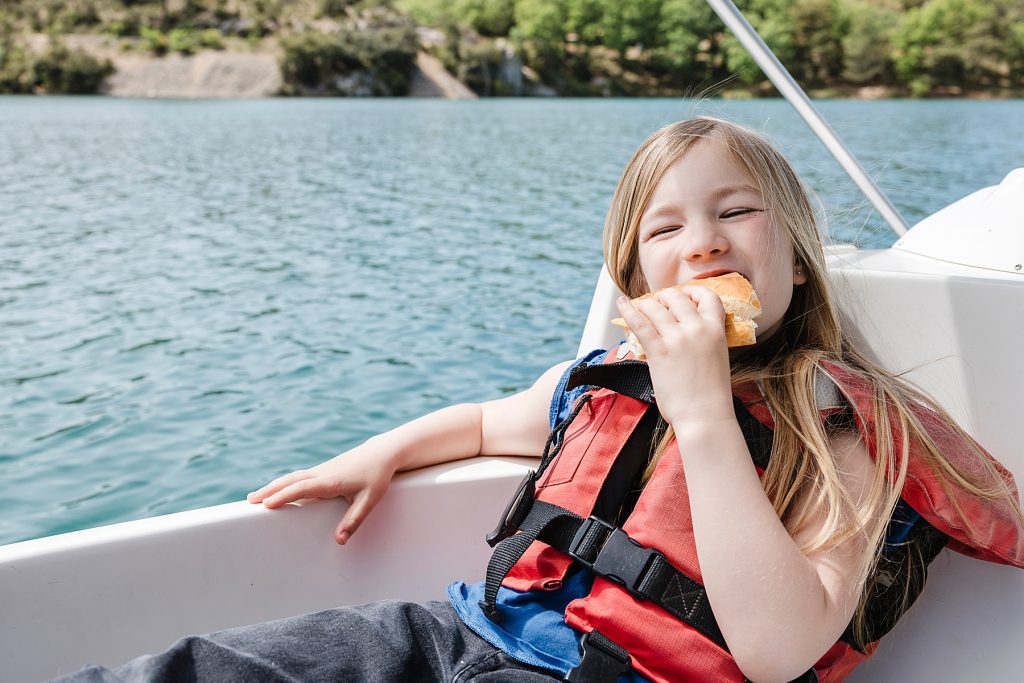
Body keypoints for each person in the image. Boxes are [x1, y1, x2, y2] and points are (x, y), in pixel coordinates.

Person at [61, 117, 1024, 683]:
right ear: (634, 279)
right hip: (454, 635)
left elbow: (777, 648)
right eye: (666, 228)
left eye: (736, 212)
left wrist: (701, 413)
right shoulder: (613, 373)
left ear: (801, 261)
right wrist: (385, 451)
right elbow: (488, 423)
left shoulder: (841, 427)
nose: (703, 242)